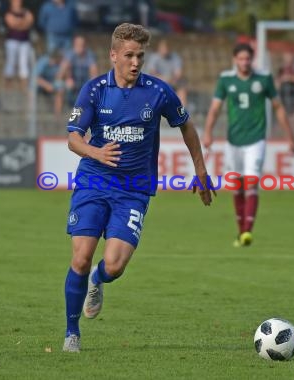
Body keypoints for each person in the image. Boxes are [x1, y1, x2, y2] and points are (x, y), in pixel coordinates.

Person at [62, 23, 214, 352]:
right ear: (113, 55)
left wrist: (200, 171)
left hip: (134, 189)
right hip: (94, 181)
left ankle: (98, 281)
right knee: (81, 257)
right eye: (129, 55)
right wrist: (95, 151)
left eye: (140, 56)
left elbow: (186, 124)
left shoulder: (158, 92)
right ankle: (71, 333)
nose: (135, 62)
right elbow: (74, 139)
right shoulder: (94, 90)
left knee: (114, 265)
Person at [203, 43, 294, 247]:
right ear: (235, 60)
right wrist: (208, 133)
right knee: (236, 186)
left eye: (248, 59)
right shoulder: (226, 79)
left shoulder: (264, 78)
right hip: (233, 140)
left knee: (251, 183)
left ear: (252, 60)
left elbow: (279, 107)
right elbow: (215, 108)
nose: (244, 62)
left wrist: (291, 138)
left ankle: (247, 232)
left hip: (256, 139)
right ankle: (241, 232)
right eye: (241, 59)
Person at [59, 35, 98, 107]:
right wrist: (68, 78)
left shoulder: (90, 54)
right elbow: (63, 70)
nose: (80, 46)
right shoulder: (70, 54)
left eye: (82, 44)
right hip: (71, 81)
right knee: (61, 87)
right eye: (78, 44)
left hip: (84, 82)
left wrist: (92, 84)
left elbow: (94, 71)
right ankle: (59, 116)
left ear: (85, 45)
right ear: (74, 44)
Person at [3, 0, 34, 90]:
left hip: (24, 41)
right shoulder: (9, 12)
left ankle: (24, 87)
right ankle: (8, 87)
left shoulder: (26, 12)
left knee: (24, 63)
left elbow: (29, 22)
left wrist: (19, 23)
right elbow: (12, 24)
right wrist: (23, 23)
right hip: (12, 41)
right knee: (10, 62)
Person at [146, 39, 187, 105]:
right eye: (163, 48)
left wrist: (171, 80)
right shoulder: (154, 57)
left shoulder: (175, 57)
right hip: (157, 83)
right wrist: (163, 79)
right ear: (159, 48)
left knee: (182, 88)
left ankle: (181, 111)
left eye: (166, 48)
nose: (165, 50)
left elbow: (178, 73)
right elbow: (152, 72)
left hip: (172, 82)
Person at [33, 50, 65, 115]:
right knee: (32, 88)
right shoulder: (43, 62)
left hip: (51, 84)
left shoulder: (59, 64)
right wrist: (46, 85)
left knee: (60, 87)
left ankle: (57, 114)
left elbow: (59, 78)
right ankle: (31, 113)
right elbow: (35, 78)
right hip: (39, 85)